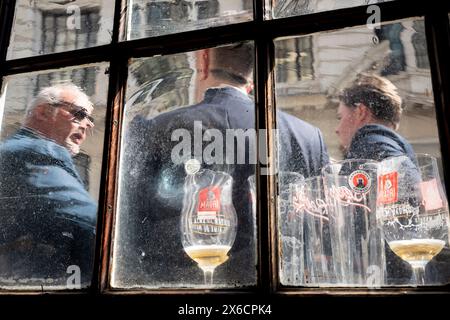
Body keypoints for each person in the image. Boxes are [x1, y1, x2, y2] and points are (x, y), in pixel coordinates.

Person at [116, 42, 329, 287]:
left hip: (176, 291)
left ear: (203, 60)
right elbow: (321, 234)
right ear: (256, 71)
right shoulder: (307, 136)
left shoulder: (155, 129)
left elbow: (124, 237)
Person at [335, 74, 450, 285]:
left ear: (360, 111)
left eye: (340, 116)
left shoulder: (370, 148)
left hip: (387, 281)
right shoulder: (400, 150)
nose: (337, 128)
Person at [0, 83, 97, 287]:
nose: (86, 125)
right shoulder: (38, 150)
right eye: (79, 114)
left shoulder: (13, 149)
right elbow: (90, 221)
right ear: (43, 112)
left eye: (90, 120)